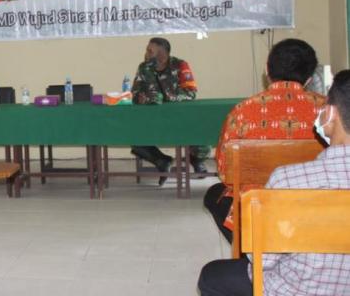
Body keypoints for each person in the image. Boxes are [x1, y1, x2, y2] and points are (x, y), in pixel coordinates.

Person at [197, 69, 350, 296]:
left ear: (330, 113)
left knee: (212, 275)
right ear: (308, 77)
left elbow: (262, 259)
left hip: (296, 289)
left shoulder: (289, 179)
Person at [203, 38, 323, 242]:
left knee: (215, 194)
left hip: (259, 211)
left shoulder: (242, 112)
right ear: (310, 78)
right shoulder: (328, 111)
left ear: (267, 71)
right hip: (319, 209)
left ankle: (251, 253)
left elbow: (226, 172)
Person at [131, 37, 206, 184]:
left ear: (161, 54)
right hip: (153, 120)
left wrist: (166, 98)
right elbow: (134, 94)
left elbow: (191, 92)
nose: (146, 53)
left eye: (149, 50)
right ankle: (162, 161)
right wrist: (143, 98)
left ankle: (196, 160)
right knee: (135, 138)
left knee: (201, 133)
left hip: (179, 118)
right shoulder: (144, 68)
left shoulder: (180, 65)